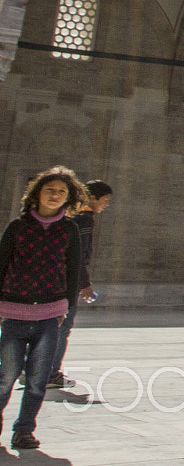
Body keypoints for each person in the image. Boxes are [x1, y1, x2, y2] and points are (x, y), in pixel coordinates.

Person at [0, 166, 86, 451]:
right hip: (14, 311)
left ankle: (24, 430)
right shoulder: (18, 227)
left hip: (50, 314)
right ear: (36, 193)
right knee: (6, 376)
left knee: (38, 379)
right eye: (50, 189)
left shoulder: (69, 230)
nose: (55, 195)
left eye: (62, 192)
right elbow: (2, 265)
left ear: (68, 198)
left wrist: (67, 306)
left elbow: (73, 269)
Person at [47, 178, 112, 389]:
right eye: (105, 199)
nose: (106, 204)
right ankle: (49, 374)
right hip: (69, 282)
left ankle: (34, 369)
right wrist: (84, 283)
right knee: (61, 327)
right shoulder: (84, 219)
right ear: (92, 197)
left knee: (49, 326)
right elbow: (78, 254)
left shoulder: (72, 215)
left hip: (57, 279)